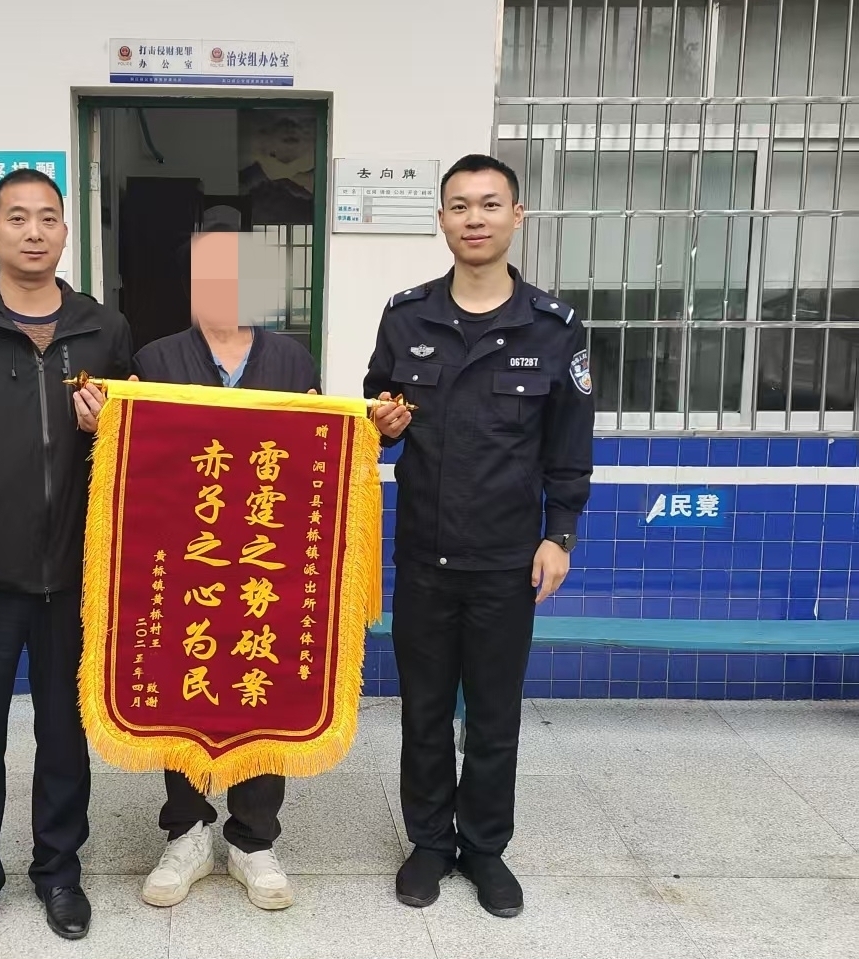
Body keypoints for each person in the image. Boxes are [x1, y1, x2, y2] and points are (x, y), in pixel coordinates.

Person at [363, 154, 593, 918]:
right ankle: (430, 842)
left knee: (493, 716)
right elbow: (376, 408)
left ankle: (485, 847)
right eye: (459, 205)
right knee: (424, 711)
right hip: (423, 556)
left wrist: (559, 534)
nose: (474, 218)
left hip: (504, 559)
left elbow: (569, 444)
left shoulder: (553, 326)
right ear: (441, 220)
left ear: (515, 216)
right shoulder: (406, 316)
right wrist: (383, 423)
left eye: (489, 204)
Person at [0, 167, 132, 957]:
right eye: (17, 217)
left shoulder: (103, 329)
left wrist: (106, 429)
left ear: (66, 231)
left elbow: (135, 458)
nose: (33, 231)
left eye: (47, 218)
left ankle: (58, 871)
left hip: (75, 577)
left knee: (65, 735)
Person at [131, 227, 319, 912]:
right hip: (187, 558)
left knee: (260, 682)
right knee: (182, 686)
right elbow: (137, 463)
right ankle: (186, 831)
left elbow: (315, 455)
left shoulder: (291, 360)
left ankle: (252, 837)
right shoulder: (155, 359)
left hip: (267, 558)